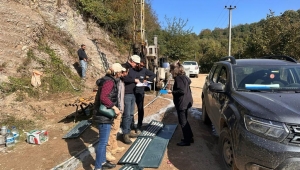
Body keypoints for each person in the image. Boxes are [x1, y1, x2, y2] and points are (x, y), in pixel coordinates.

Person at [93, 63, 125, 170]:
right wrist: (114, 107)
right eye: (120, 72)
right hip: (104, 115)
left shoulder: (108, 80)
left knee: (104, 141)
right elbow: (104, 98)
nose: (121, 73)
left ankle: (102, 162)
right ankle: (98, 167)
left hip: (104, 115)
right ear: (115, 73)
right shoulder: (109, 82)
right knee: (103, 142)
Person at [106, 63, 130, 160]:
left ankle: (114, 147)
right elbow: (109, 97)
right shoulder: (112, 82)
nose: (123, 73)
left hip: (118, 109)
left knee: (115, 129)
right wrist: (116, 108)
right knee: (110, 131)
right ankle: (108, 151)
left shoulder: (119, 81)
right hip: (115, 109)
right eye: (121, 72)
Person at [168, 61, 194, 146]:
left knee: (183, 121)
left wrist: (172, 91)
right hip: (187, 101)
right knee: (185, 120)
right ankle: (190, 137)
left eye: (171, 70)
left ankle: (187, 141)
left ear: (174, 70)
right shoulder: (184, 77)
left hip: (182, 103)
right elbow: (188, 83)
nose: (170, 72)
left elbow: (181, 91)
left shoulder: (179, 79)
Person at [121, 55, 141, 144]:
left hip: (132, 93)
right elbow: (124, 77)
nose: (136, 65)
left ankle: (129, 131)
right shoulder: (124, 67)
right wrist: (134, 80)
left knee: (131, 114)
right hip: (126, 94)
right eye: (136, 63)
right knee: (127, 114)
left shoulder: (132, 69)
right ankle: (125, 133)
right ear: (131, 61)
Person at [133, 58, 155, 133]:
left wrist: (148, 80)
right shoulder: (132, 70)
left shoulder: (144, 70)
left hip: (140, 92)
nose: (141, 67)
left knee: (140, 108)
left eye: (143, 66)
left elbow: (153, 75)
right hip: (131, 92)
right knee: (130, 110)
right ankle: (131, 125)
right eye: (140, 65)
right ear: (138, 63)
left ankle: (139, 124)